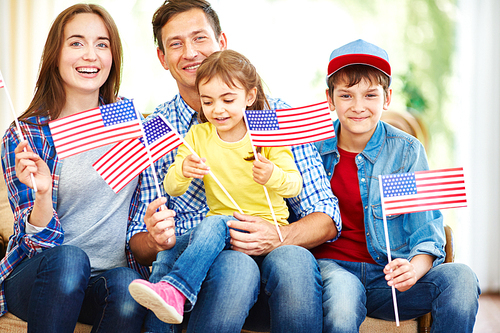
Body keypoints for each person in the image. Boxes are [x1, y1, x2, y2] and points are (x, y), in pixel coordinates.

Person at [133, 0, 341, 332]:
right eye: (176, 43)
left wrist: (280, 235)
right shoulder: (159, 128)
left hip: (271, 256)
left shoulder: (273, 120)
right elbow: (137, 241)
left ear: (221, 43)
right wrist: (156, 238)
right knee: (233, 267)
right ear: (163, 58)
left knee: (289, 261)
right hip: (195, 258)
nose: (190, 52)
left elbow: (327, 214)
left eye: (199, 37)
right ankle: (172, 291)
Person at [0, 4, 176, 332]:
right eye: (77, 43)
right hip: (41, 275)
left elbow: (141, 228)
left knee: (127, 286)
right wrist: (42, 196)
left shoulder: (130, 124)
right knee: (70, 260)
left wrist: (155, 237)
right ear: (56, 54)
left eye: (102, 44)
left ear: (113, 56)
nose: (90, 55)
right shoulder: (26, 135)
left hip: (106, 282)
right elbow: (36, 246)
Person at [312, 39, 481, 332]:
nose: (358, 106)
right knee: (342, 303)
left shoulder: (406, 152)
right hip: (333, 273)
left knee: (461, 278)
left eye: (370, 95)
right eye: (346, 96)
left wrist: (412, 269)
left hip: (387, 279)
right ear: (330, 98)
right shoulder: (312, 149)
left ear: (387, 98)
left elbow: (426, 231)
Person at [129, 49, 303, 325]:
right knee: (167, 251)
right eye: (208, 101)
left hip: (260, 228)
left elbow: (294, 186)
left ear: (249, 96)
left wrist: (272, 175)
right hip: (217, 232)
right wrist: (183, 171)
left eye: (228, 99)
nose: (217, 109)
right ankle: (163, 306)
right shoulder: (198, 135)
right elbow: (172, 188)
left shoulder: (266, 133)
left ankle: (178, 289)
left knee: (214, 224)